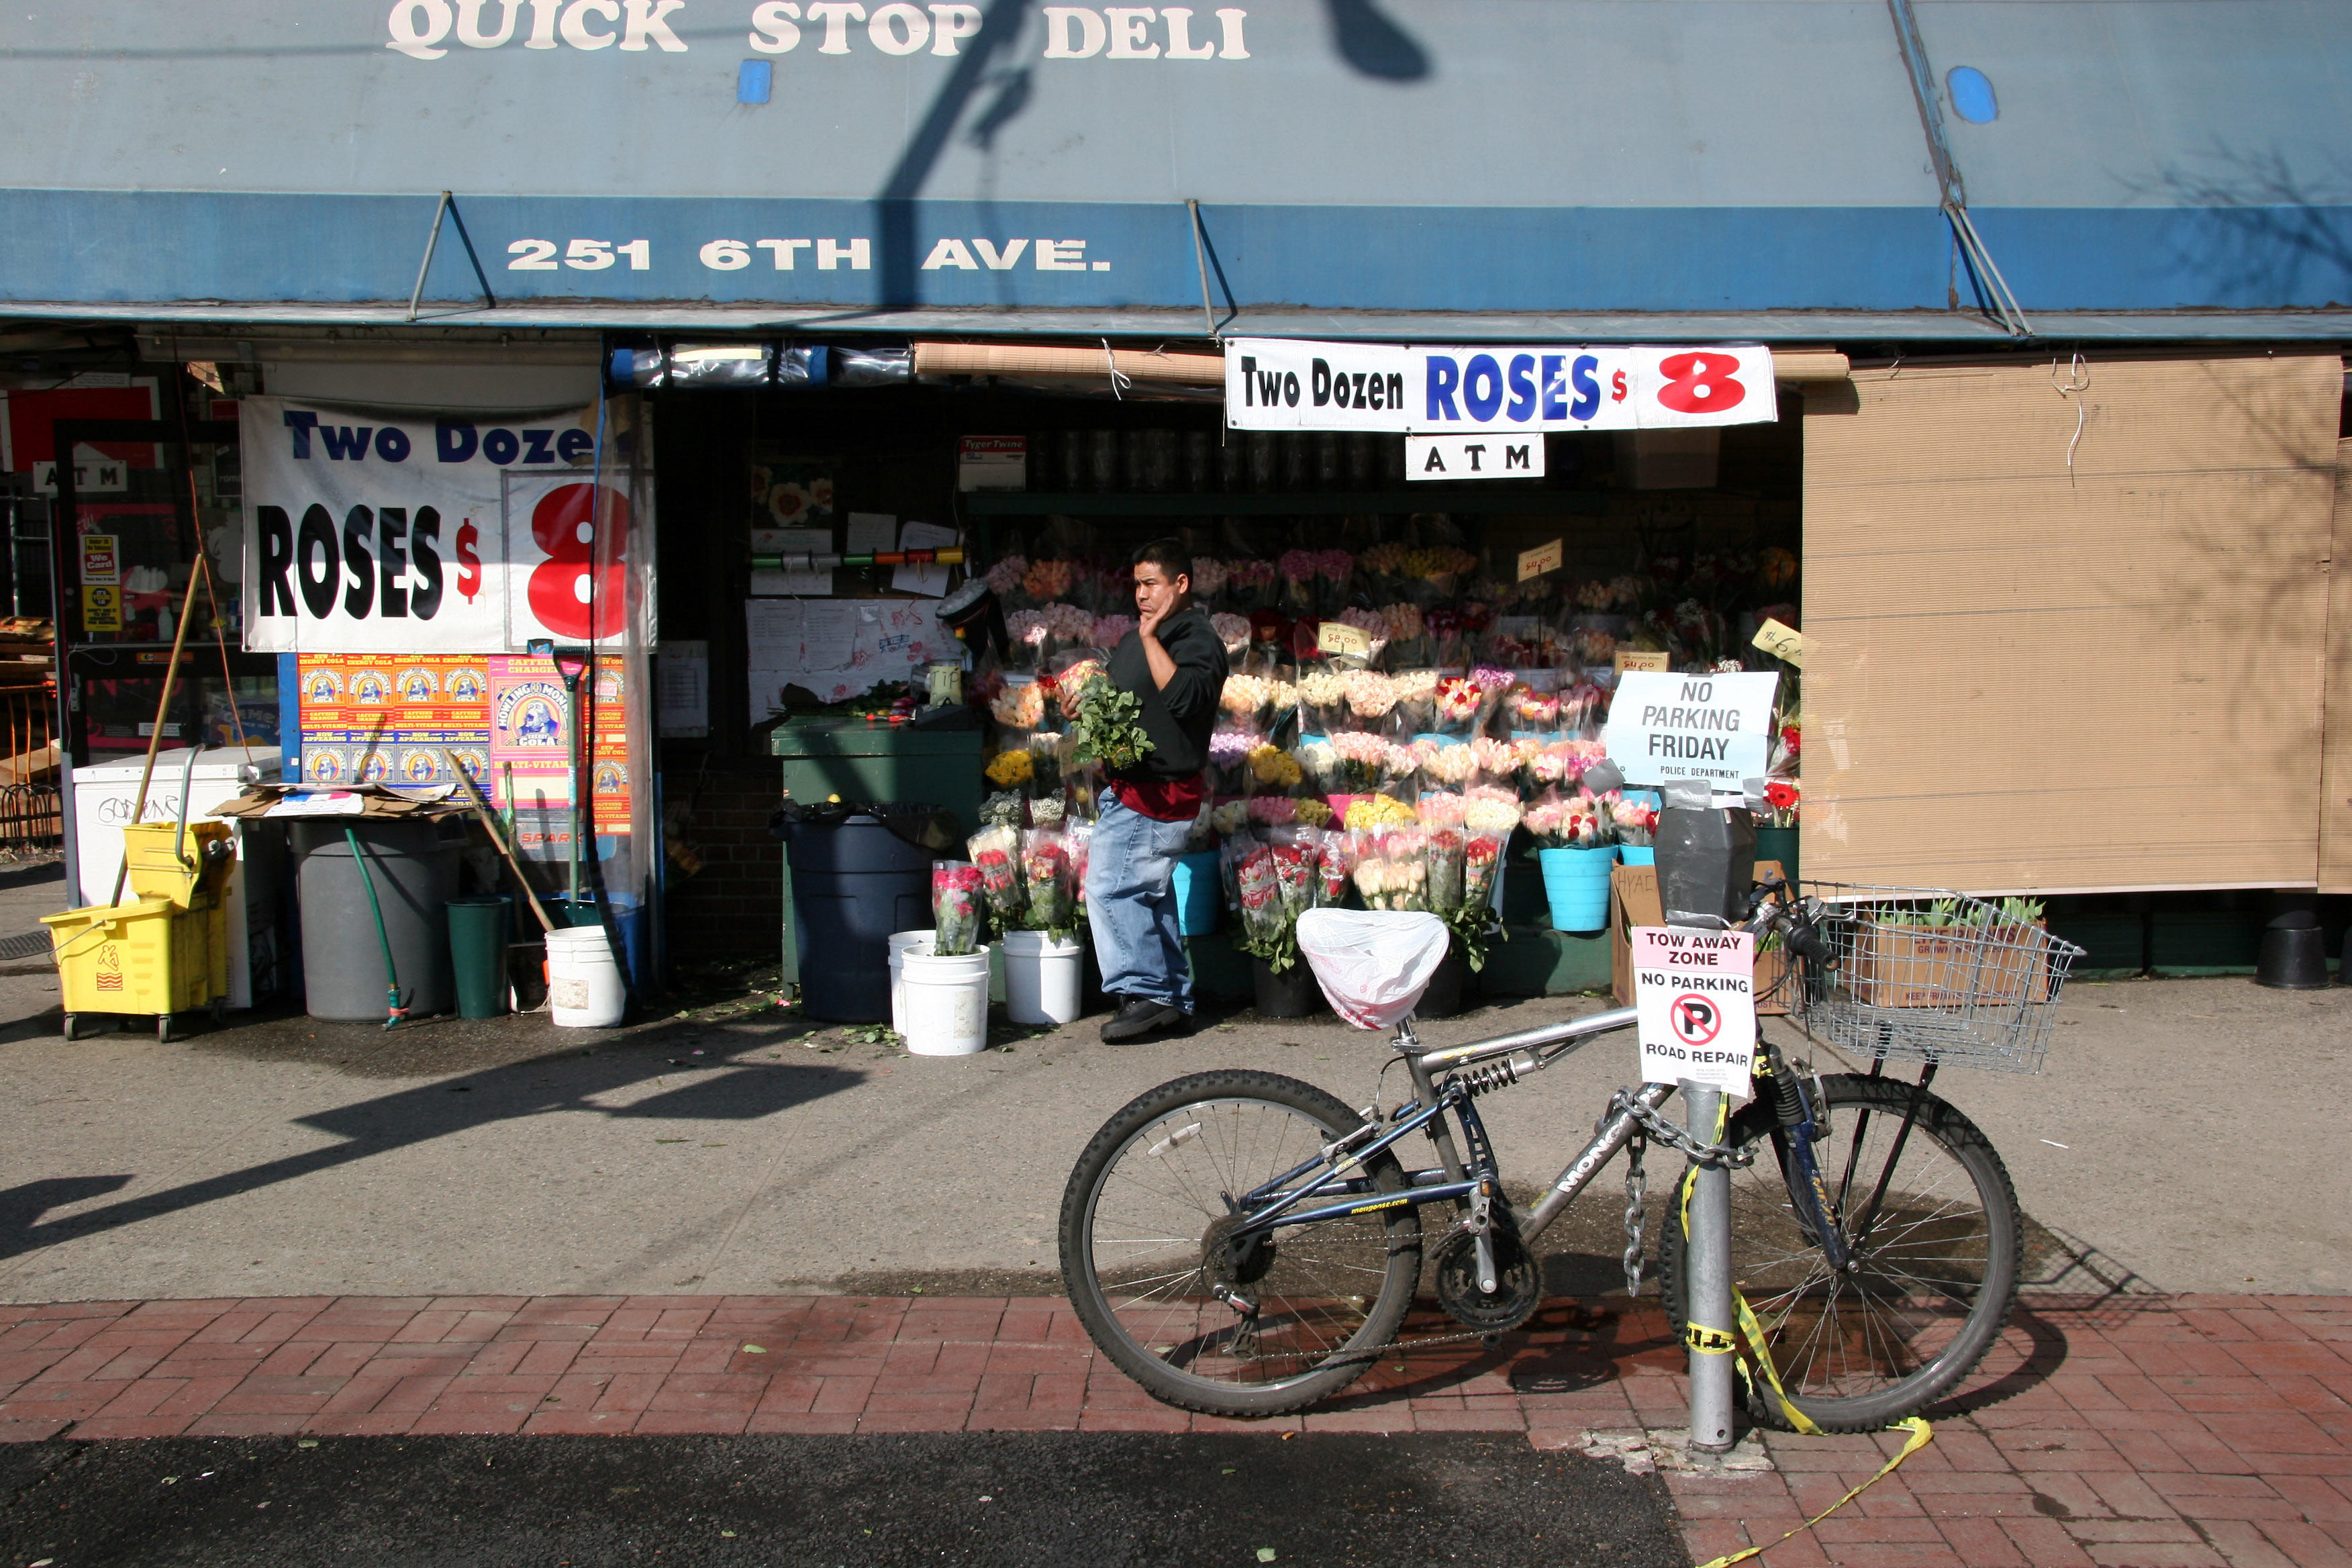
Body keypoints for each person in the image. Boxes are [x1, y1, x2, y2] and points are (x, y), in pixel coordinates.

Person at [1063, 539, 1229, 1043]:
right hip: (1129, 785)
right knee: (1148, 894)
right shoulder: (1137, 638)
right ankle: (1171, 999)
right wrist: (1083, 707)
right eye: (1136, 584)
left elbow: (1186, 700)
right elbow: (1121, 700)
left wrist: (1153, 638)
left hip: (1157, 792)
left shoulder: (1196, 638)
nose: (1141, 595)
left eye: (1151, 583)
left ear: (1181, 585)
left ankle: (1146, 993)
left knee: (1112, 887)